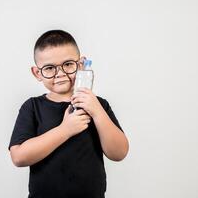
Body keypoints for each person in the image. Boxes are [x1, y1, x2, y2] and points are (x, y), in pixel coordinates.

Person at [8, 29, 129, 198]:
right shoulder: (32, 107)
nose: (60, 74)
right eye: (49, 68)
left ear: (80, 65)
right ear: (37, 73)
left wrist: (97, 112)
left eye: (68, 64)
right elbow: (19, 157)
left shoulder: (98, 105)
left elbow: (119, 153)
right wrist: (66, 129)